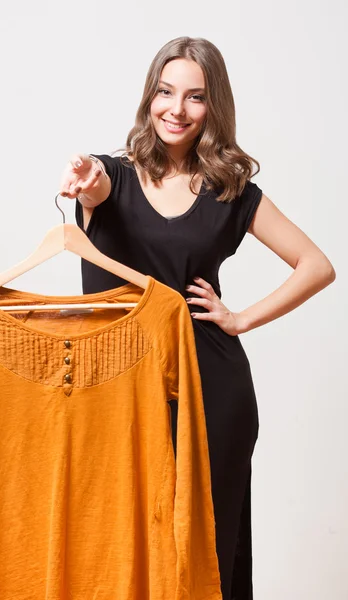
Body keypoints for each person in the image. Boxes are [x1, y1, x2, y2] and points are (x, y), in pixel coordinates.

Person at [58, 36, 336, 600]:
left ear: (214, 107)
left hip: (211, 390)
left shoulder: (232, 192)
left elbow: (317, 265)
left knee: (206, 552)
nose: (175, 109)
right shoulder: (110, 177)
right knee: (121, 547)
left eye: (194, 97)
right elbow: (98, 189)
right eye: (165, 91)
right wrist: (88, 186)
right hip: (118, 388)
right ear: (149, 96)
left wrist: (240, 319)